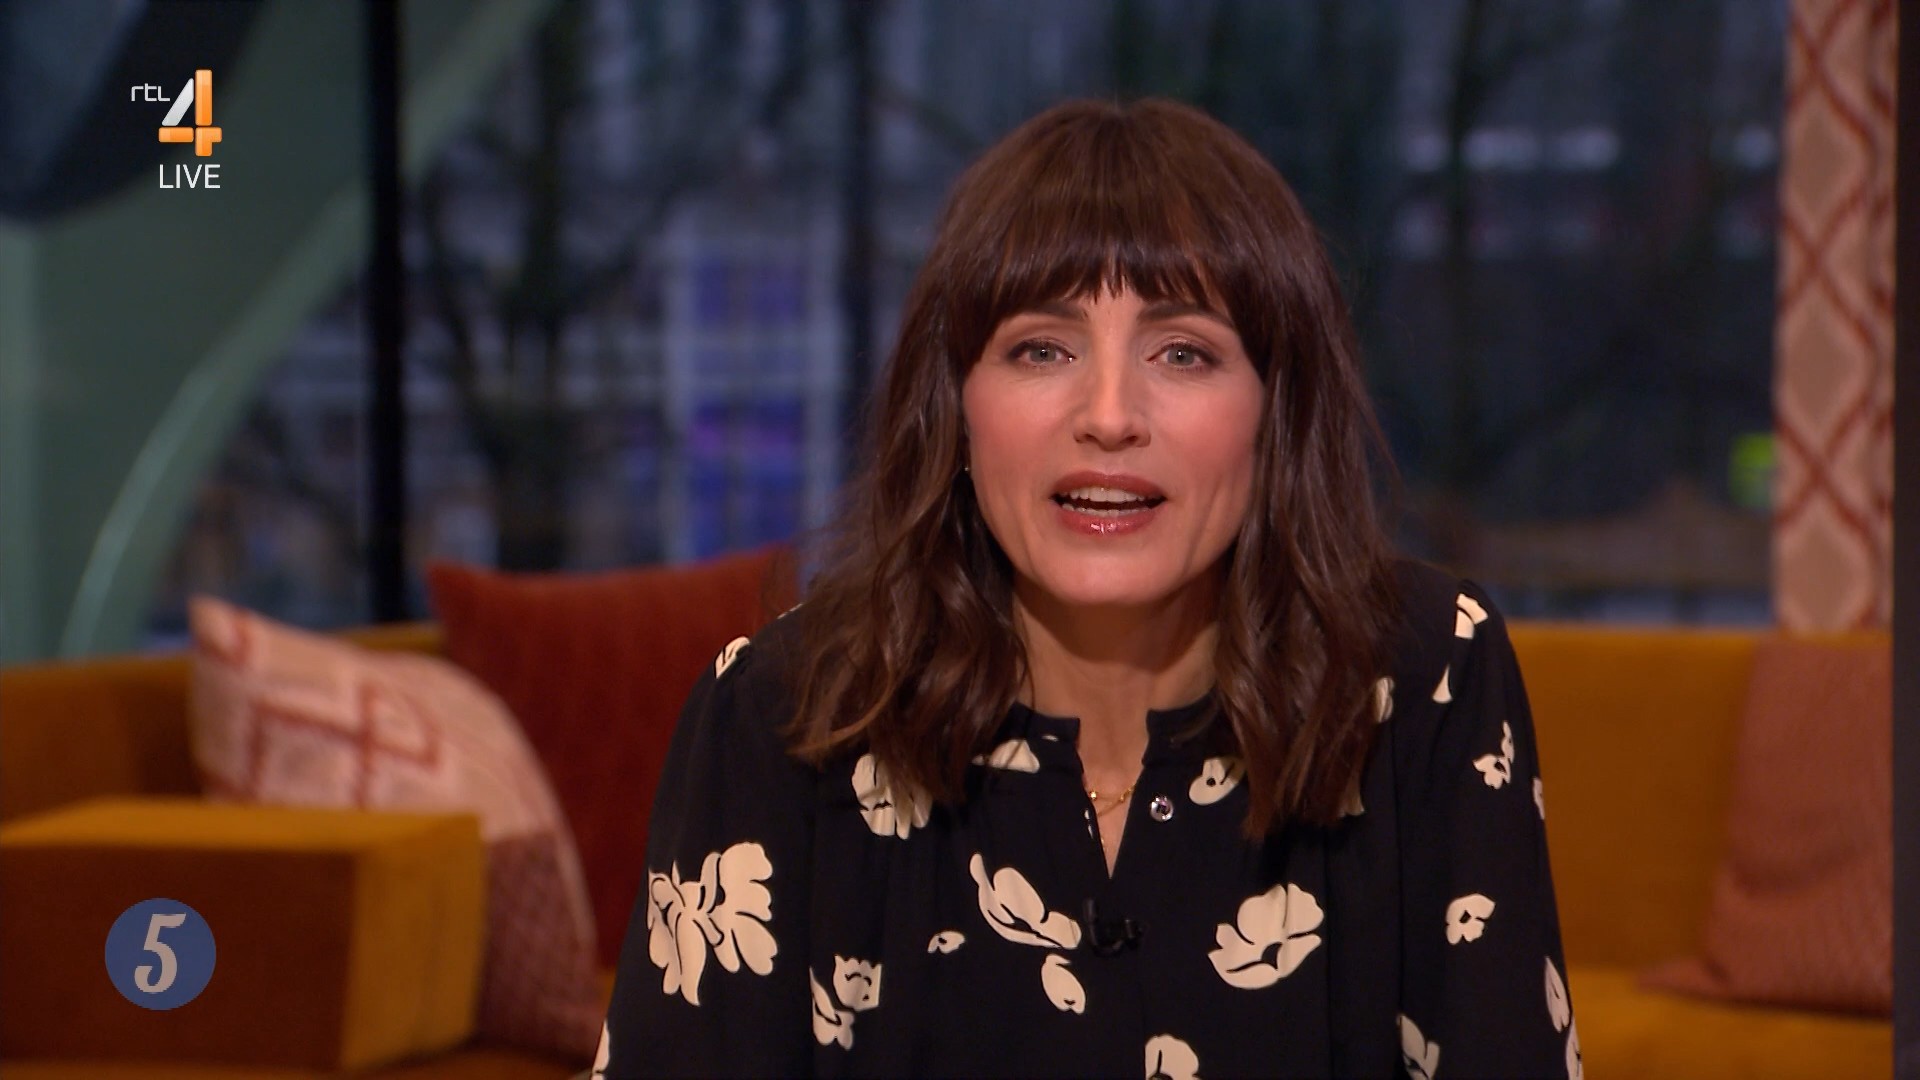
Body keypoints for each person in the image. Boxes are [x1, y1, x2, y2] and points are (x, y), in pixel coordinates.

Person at [594, 98, 1580, 1080]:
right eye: (1043, 350)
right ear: (957, 406)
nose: (1109, 416)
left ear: (1274, 412)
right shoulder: (777, 712)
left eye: (1183, 353)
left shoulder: (1426, 678)